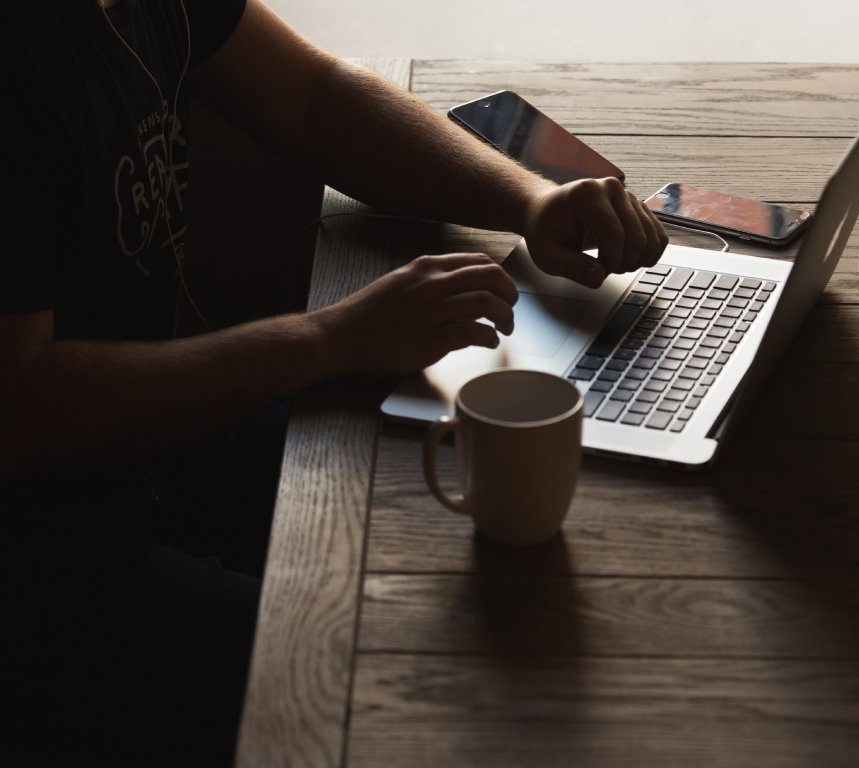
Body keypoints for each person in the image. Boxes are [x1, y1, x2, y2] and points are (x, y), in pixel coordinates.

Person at [0, 0, 667, 763]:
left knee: (463, 484)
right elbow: (17, 407)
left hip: (151, 455)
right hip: (45, 554)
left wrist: (529, 200)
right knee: (397, 681)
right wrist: (330, 337)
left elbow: (316, 98)